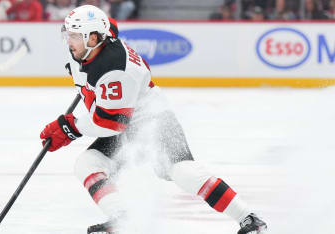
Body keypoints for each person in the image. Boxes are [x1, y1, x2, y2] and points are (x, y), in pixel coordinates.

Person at [40, 4, 268, 234]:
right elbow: (111, 28)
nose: (69, 41)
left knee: (182, 172)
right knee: (88, 163)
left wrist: (69, 127)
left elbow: (111, 123)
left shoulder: (115, 68)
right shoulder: (92, 47)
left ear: (94, 38)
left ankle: (248, 218)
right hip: (122, 123)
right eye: (68, 34)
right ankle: (121, 218)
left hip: (153, 122)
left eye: (75, 36)